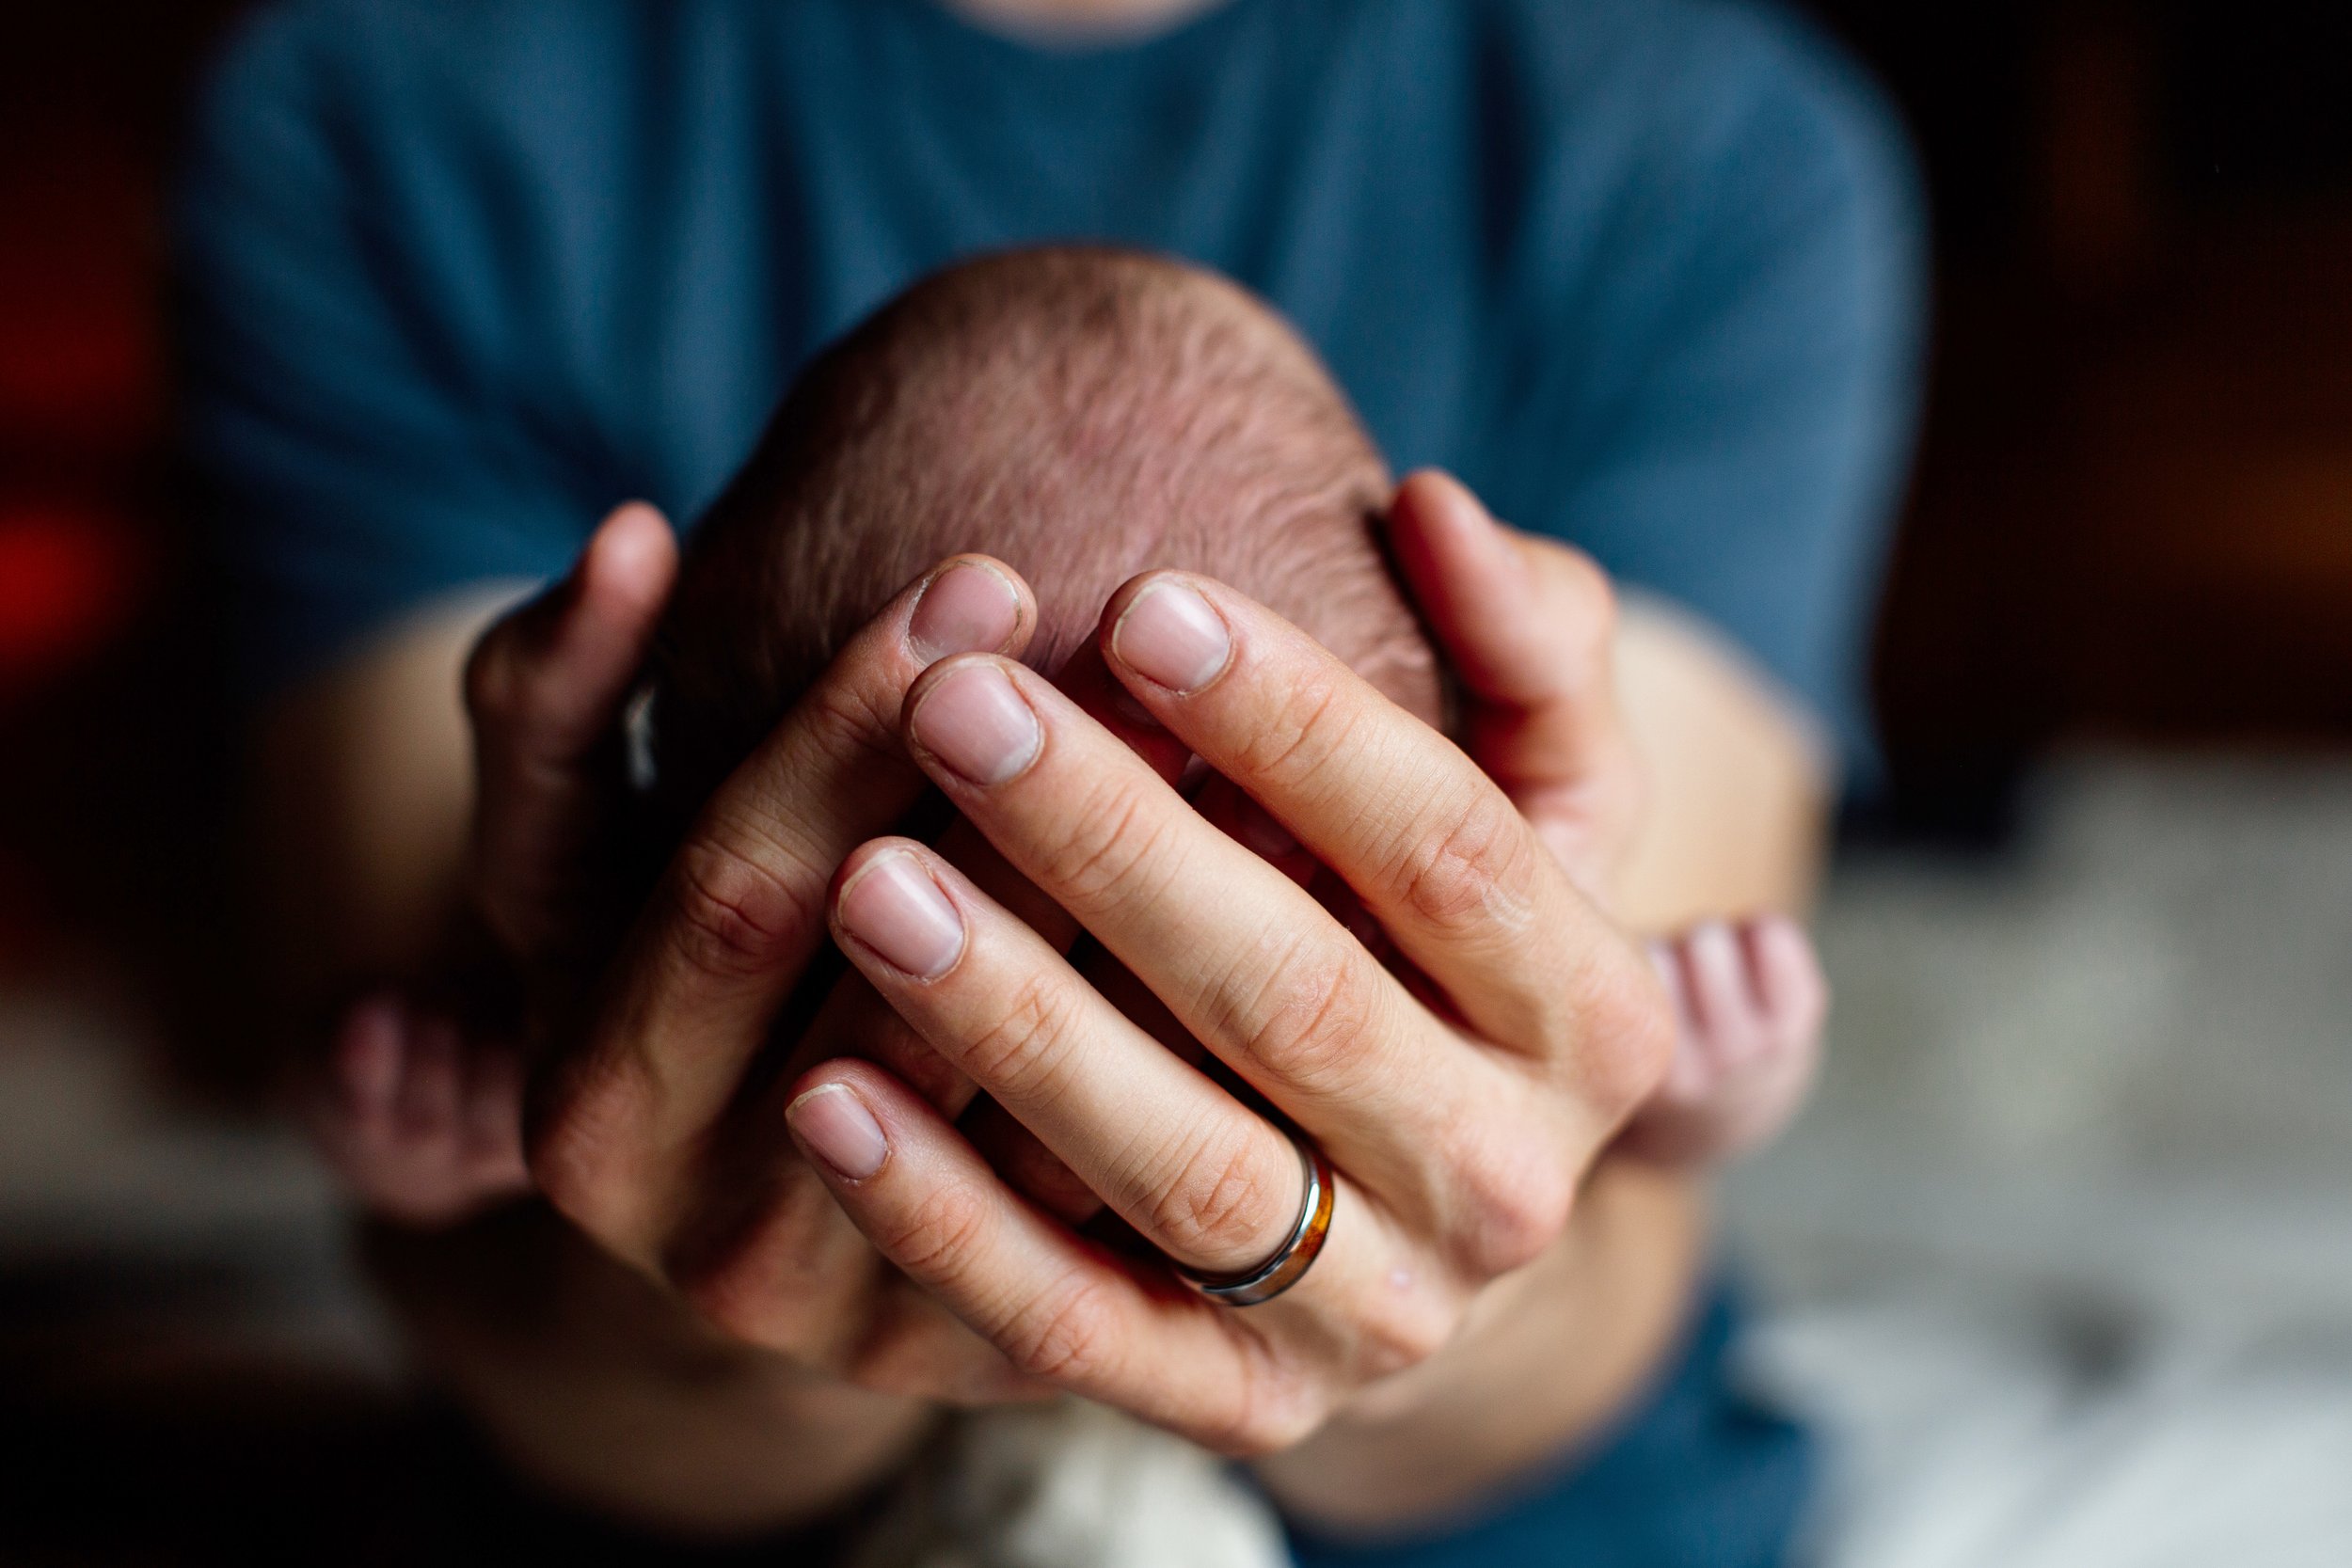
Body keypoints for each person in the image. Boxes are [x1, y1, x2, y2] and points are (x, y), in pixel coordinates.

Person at [175, 0, 1921, 1561]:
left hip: (1472, 1495)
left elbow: (1595, 1152)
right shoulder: (394, 104)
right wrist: (463, 1080)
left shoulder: (1698, 147)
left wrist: (1660, 1066)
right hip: (661, 1447)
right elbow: (461, 1207)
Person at [306, 247, 1826, 1231]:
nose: (1049, 1033)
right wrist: (469, 1110)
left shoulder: (1709, 150)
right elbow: (570, 1123)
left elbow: (1563, 1124)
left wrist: (1679, 1075)